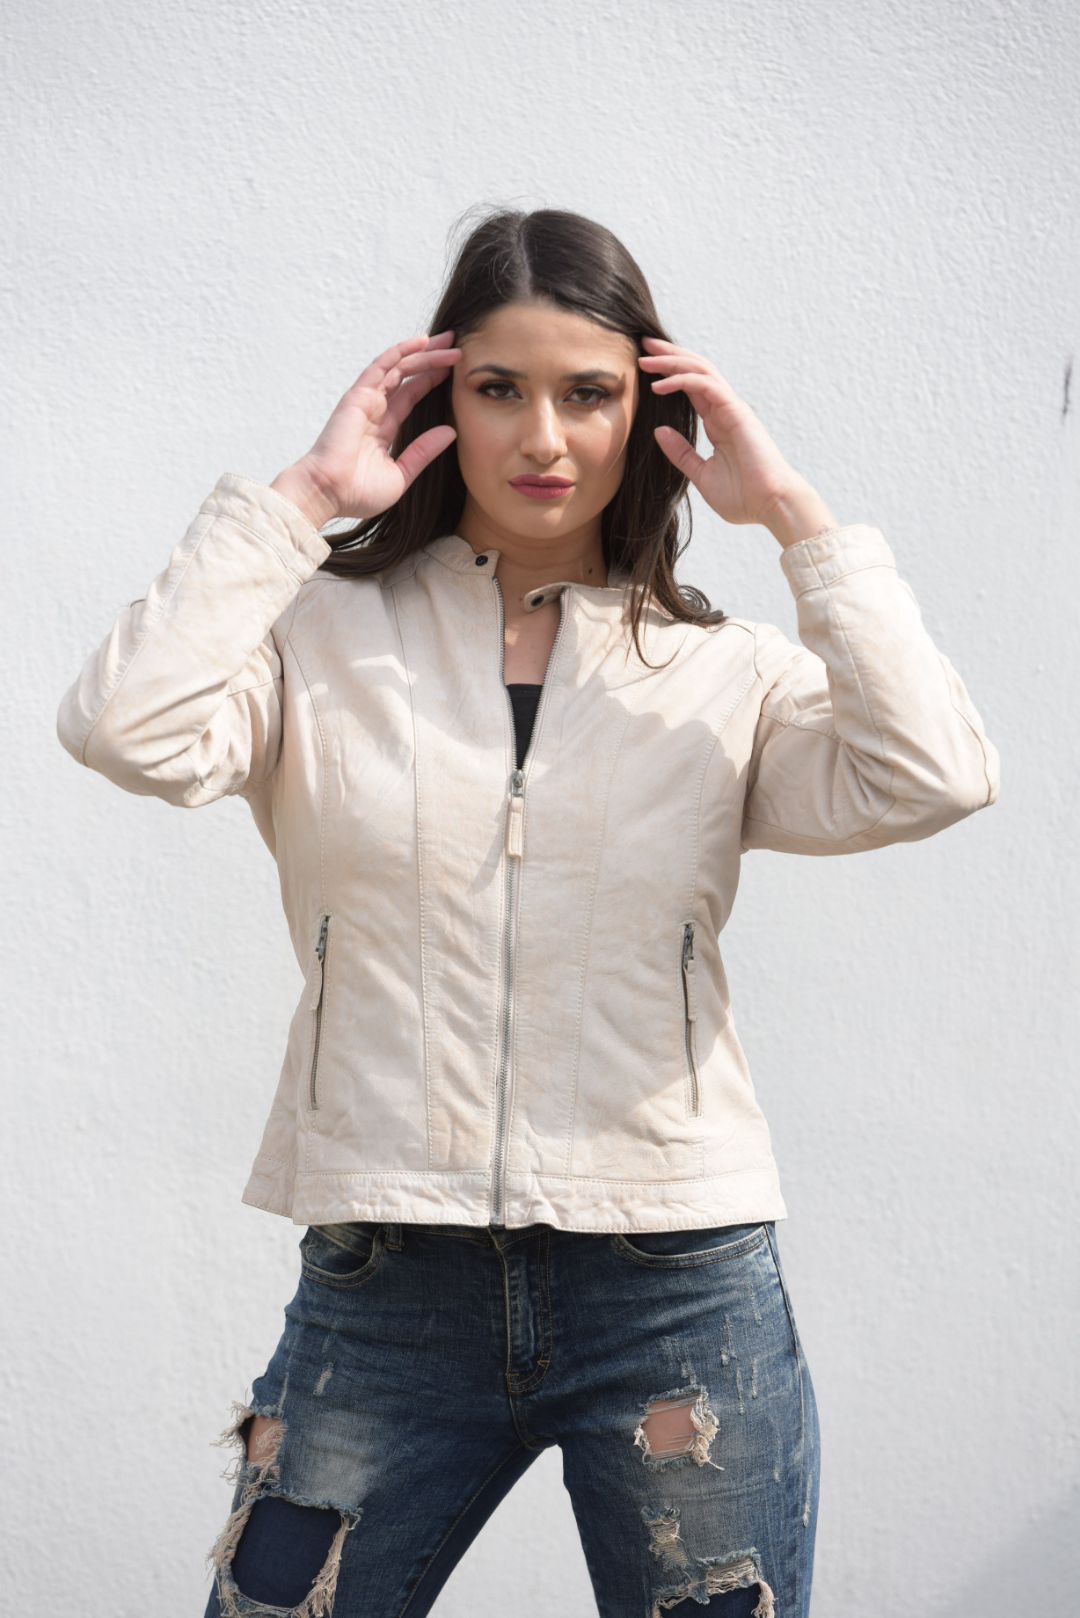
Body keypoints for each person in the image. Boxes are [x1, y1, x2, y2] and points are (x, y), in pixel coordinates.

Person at [56, 207, 1000, 1618]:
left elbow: (934, 773)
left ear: (647, 415)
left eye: (589, 393)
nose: (543, 437)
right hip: (387, 1276)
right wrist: (298, 501)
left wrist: (798, 519)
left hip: (674, 1281)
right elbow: (124, 728)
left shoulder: (720, 669)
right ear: (444, 398)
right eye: (500, 388)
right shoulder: (316, 638)